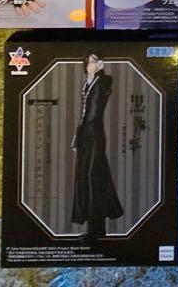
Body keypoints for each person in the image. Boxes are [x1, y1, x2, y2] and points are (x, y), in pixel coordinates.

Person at [71, 52, 123, 243]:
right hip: (85, 134)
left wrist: (97, 74)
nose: (97, 63)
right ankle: (96, 227)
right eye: (93, 61)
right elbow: (84, 113)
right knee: (85, 177)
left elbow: (94, 111)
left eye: (99, 61)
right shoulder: (87, 84)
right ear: (86, 65)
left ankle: (97, 229)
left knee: (95, 178)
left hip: (95, 135)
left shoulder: (104, 81)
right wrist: (77, 135)